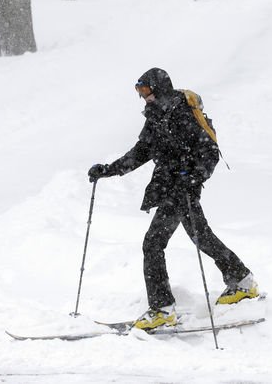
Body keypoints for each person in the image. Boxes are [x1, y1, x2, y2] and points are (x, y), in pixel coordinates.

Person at [88, 68, 258, 330]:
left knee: (153, 244)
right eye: (139, 92)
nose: (143, 97)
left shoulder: (182, 113)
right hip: (170, 187)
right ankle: (242, 280)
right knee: (201, 236)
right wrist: (108, 170)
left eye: (145, 91)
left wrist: (193, 178)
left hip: (182, 190)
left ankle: (162, 309)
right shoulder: (156, 115)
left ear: (158, 88)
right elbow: (141, 151)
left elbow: (209, 151)